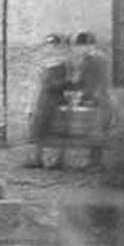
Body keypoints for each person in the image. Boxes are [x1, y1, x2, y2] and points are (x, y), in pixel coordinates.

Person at [25, 33, 72, 169]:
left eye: (53, 44)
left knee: (59, 129)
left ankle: (59, 160)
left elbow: (66, 82)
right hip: (43, 99)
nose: (51, 47)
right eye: (49, 44)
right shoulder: (45, 63)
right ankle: (38, 158)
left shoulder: (63, 63)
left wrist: (54, 84)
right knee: (38, 128)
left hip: (56, 100)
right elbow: (38, 83)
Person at [71, 31, 112, 166]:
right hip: (100, 96)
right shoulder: (100, 58)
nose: (78, 49)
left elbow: (84, 81)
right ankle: (94, 160)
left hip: (97, 97)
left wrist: (82, 93)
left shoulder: (91, 60)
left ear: (89, 45)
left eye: (80, 46)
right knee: (96, 129)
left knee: (96, 128)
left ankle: (95, 162)